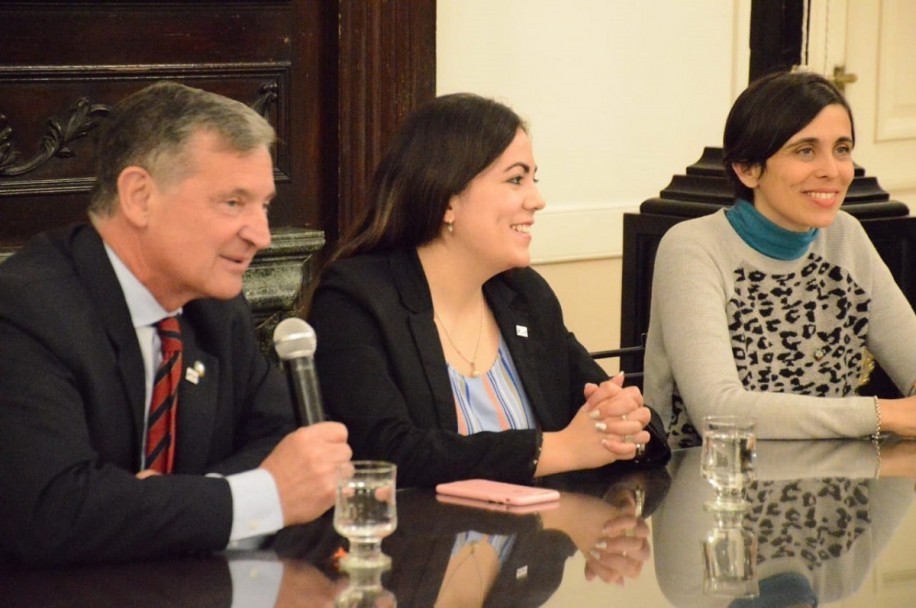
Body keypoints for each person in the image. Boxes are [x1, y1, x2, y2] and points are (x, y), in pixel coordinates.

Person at [0, 81, 352, 565]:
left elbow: (286, 442)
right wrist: (259, 500)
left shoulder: (212, 307)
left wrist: (170, 503)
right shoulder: (24, 309)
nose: (262, 236)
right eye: (233, 202)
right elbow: (54, 512)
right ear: (140, 196)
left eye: (264, 204)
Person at [304, 93, 669, 488]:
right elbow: (385, 454)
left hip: (537, 541)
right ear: (447, 200)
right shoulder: (355, 301)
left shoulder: (524, 296)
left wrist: (625, 423)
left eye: (534, 179)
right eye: (516, 179)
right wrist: (560, 449)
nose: (538, 200)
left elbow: (618, 421)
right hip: (413, 546)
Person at [644, 71, 916, 449]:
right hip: (711, 489)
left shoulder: (845, 235)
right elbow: (718, 412)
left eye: (842, 149)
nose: (832, 170)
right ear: (747, 168)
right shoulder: (692, 248)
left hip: (835, 489)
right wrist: (885, 415)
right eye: (805, 151)